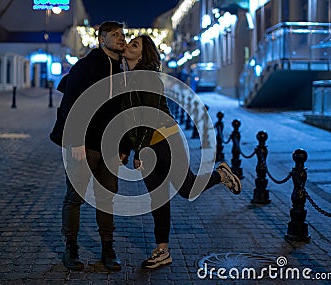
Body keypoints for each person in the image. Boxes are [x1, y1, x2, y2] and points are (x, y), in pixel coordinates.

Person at [121, 35, 242, 269]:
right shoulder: (129, 78)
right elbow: (131, 119)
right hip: (146, 146)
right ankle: (162, 250)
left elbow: (151, 114)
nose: (128, 45)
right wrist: (128, 148)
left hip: (165, 140)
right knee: (157, 199)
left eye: (134, 44)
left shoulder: (149, 78)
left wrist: (138, 151)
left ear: (144, 55)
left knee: (187, 189)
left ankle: (221, 175)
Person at [50, 21, 130, 271]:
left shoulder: (122, 69)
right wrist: (74, 139)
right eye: (114, 35)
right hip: (84, 146)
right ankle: (70, 248)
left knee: (106, 199)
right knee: (75, 198)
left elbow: (124, 111)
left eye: (122, 35)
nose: (121, 39)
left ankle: (108, 248)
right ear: (101, 39)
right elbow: (70, 103)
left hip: (110, 147)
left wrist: (124, 145)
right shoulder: (87, 65)